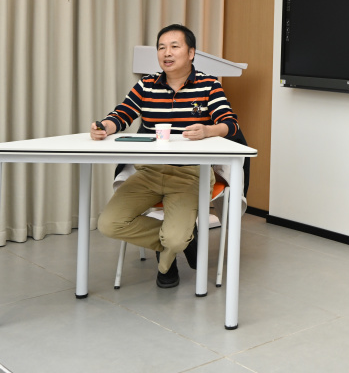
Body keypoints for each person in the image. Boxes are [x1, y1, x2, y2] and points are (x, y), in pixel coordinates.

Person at [92, 23, 244, 289]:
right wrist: (104, 127)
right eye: (161, 47)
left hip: (190, 174)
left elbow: (231, 124)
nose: (167, 53)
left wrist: (208, 130)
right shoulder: (147, 85)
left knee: (175, 239)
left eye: (175, 46)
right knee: (109, 224)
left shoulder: (209, 85)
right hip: (149, 171)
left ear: (191, 53)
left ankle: (172, 249)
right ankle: (183, 239)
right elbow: (122, 114)